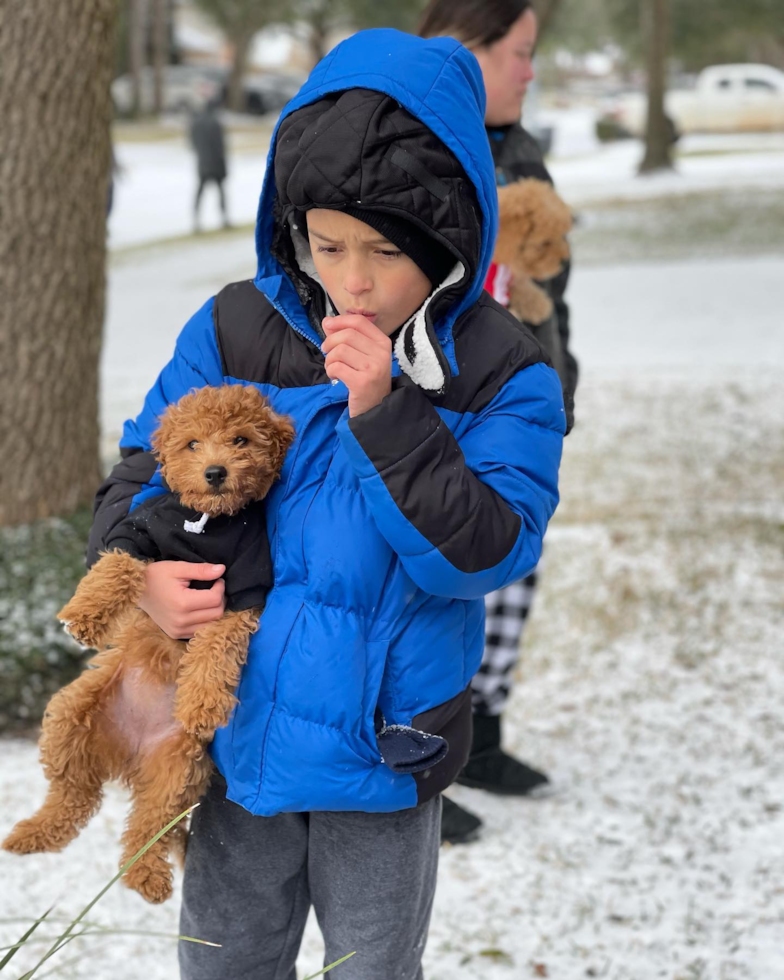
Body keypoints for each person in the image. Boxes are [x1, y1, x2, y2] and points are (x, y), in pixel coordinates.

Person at [87, 29, 565, 979]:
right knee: (225, 962)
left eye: (386, 251)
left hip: (385, 750)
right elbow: (143, 471)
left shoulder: (505, 368)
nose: (351, 279)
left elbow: (487, 550)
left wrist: (387, 415)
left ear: (451, 235)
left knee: (372, 966)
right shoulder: (235, 326)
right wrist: (141, 575)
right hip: (235, 736)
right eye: (327, 242)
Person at [419, 0, 579, 845]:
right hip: (436, 418)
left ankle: (482, 739)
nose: (529, 71)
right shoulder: (412, 143)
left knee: (513, 582)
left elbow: (559, 288)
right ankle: (420, 762)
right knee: (434, 587)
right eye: (518, 53)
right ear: (465, 48)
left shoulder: (522, 148)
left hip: (520, 409)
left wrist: (562, 394)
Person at [189, 95, 230, 232]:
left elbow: (192, 143)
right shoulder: (216, 123)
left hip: (202, 163)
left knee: (200, 192)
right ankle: (224, 219)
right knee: (220, 191)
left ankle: (196, 221)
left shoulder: (196, 123)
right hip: (216, 163)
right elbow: (220, 147)